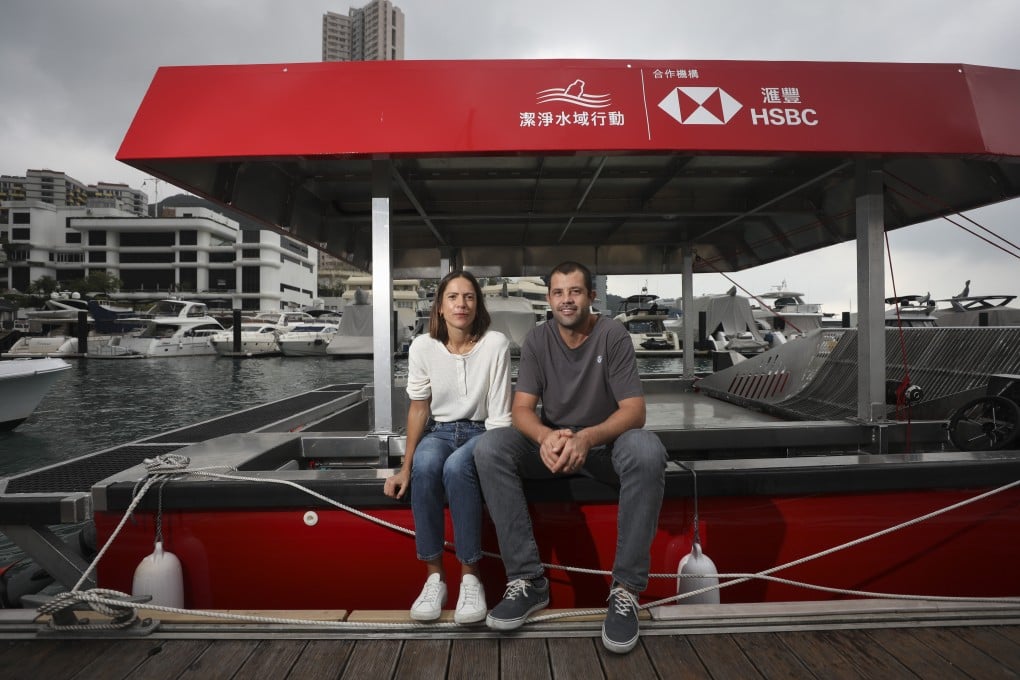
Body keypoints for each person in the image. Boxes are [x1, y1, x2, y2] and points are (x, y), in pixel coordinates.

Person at [474, 261, 667, 654]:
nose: (566, 300)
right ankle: (529, 581)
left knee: (647, 450)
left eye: (575, 292)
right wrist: (546, 438)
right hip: (556, 445)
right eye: (559, 293)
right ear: (549, 299)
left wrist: (587, 438)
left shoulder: (613, 334)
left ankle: (626, 590)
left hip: (604, 447)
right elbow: (522, 409)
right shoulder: (537, 339)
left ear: (591, 297)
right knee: (489, 448)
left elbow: (634, 411)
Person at [383, 270, 512, 624]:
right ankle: (434, 578)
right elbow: (419, 407)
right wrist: (404, 467)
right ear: (439, 307)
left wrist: (493, 451)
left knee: (457, 468)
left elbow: (501, 417)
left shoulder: (496, 343)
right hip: (440, 432)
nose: (461, 304)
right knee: (425, 465)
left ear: (478, 304)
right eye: (453, 297)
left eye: (469, 297)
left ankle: (471, 578)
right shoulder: (423, 347)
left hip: (484, 431)